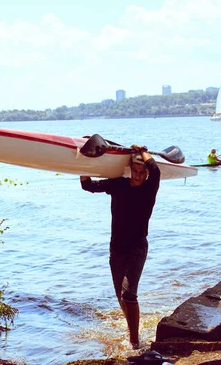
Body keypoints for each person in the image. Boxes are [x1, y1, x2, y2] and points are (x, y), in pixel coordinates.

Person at [80, 145, 160, 349]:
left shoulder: (149, 189)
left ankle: (134, 342)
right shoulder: (118, 185)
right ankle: (131, 326)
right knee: (119, 294)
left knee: (128, 294)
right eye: (135, 170)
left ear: (146, 173)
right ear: (130, 168)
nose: (138, 175)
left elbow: (156, 169)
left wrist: (142, 150)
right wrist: (81, 165)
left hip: (137, 249)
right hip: (116, 249)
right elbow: (89, 186)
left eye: (142, 172)